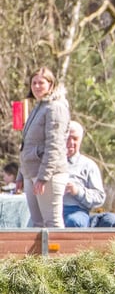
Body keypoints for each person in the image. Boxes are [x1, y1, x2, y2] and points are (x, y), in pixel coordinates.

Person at [17, 67, 70, 228]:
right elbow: (26, 145)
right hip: (31, 173)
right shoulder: (38, 107)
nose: (37, 86)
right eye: (34, 83)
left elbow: (55, 145)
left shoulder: (55, 108)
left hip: (49, 175)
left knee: (52, 223)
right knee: (38, 225)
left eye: (41, 83)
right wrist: (21, 175)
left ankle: (62, 248)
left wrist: (43, 177)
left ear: (51, 84)